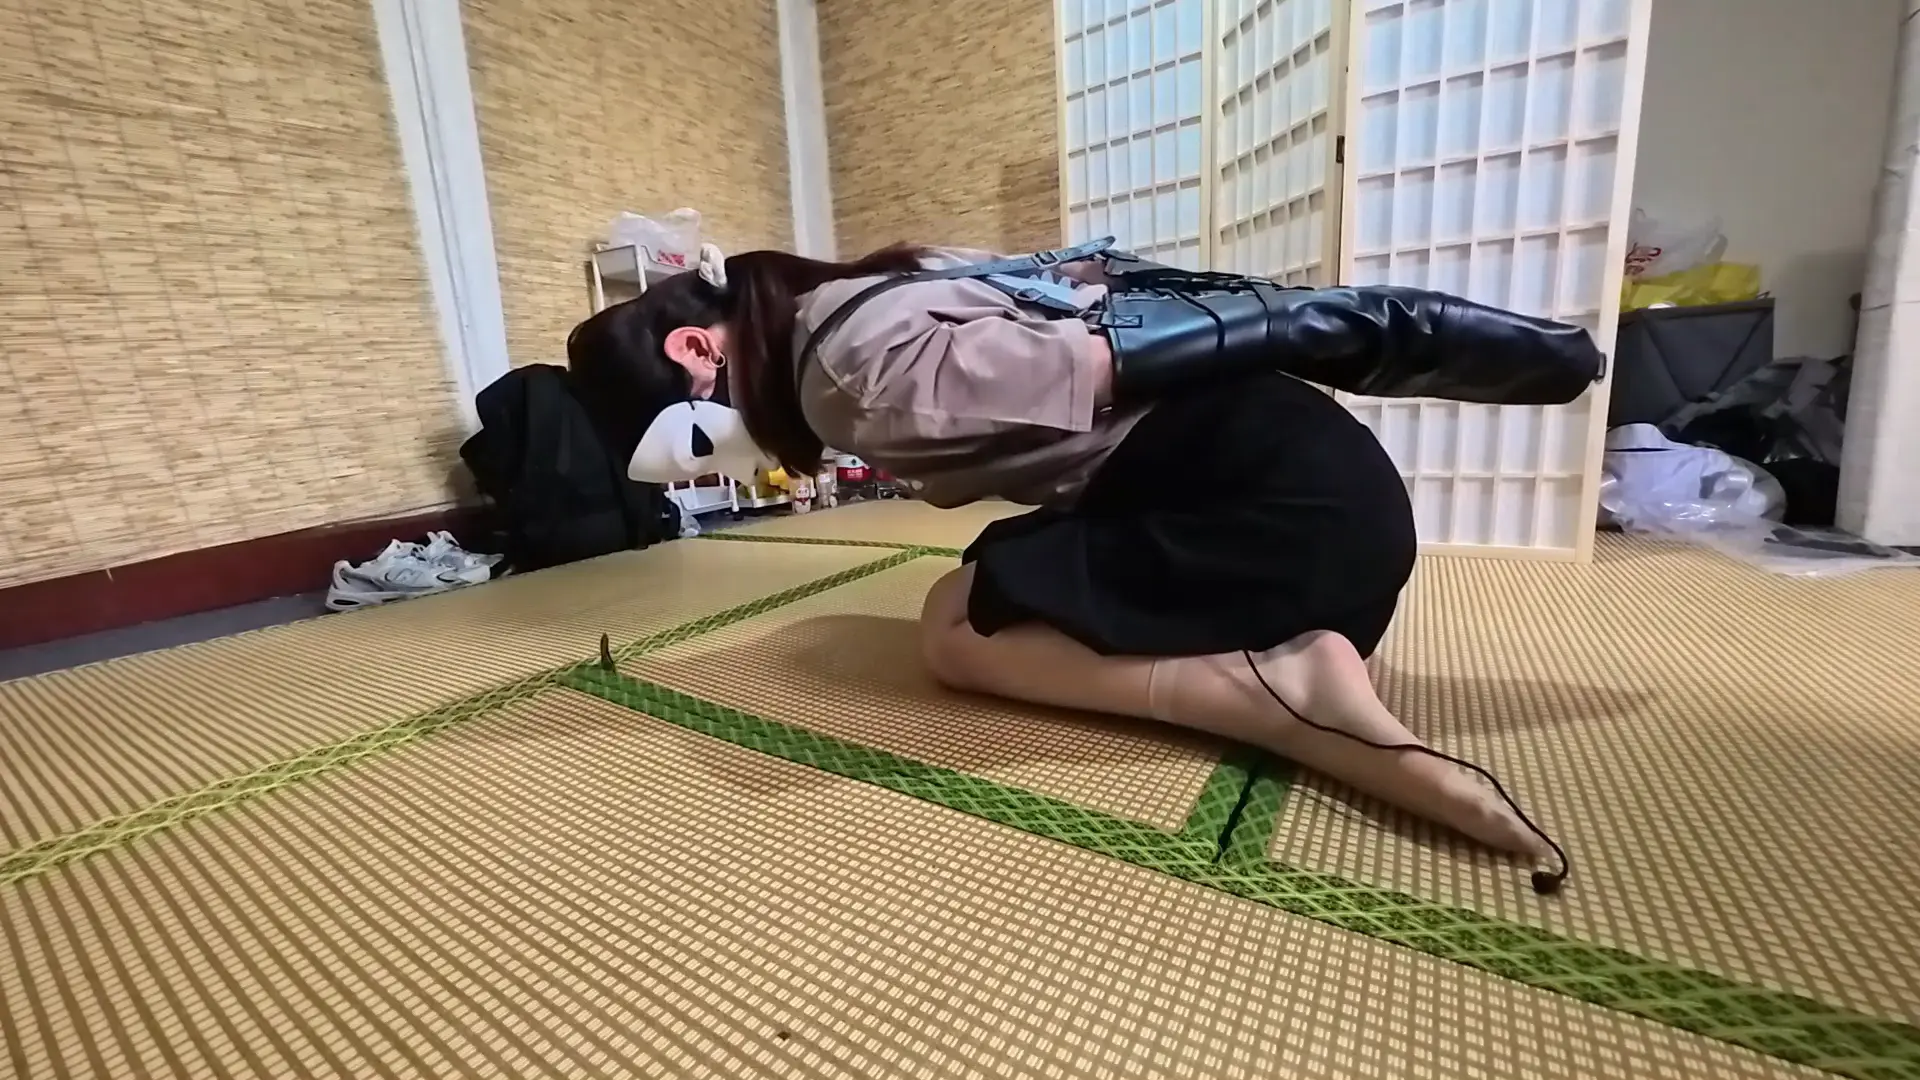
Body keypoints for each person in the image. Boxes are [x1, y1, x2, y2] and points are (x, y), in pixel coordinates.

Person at [567, 238, 1602, 888]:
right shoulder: (868, 292)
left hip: (1278, 519)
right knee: (986, 572)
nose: (723, 468)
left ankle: (1274, 690)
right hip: (1320, 501)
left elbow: (1121, 355)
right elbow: (1115, 290)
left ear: (696, 352)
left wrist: (1375, 324)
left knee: (954, 627)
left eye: (696, 449)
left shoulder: (842, 376)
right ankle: (1289, 655)